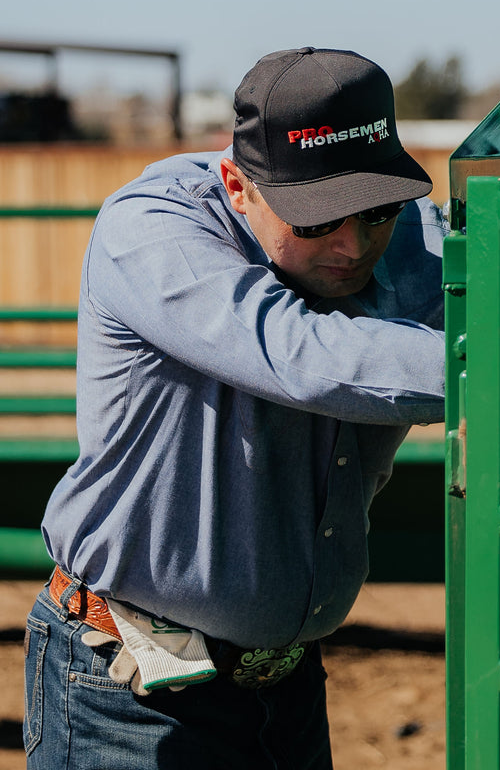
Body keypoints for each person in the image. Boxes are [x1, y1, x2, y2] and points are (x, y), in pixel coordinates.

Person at [23, 46, 446, 769]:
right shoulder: (153, 230)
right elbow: (306, 356)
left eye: (375, 209)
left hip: (288, 688)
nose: (352, 243)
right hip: (126, 694)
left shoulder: (408, 233)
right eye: (315, 220)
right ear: (238, 184)